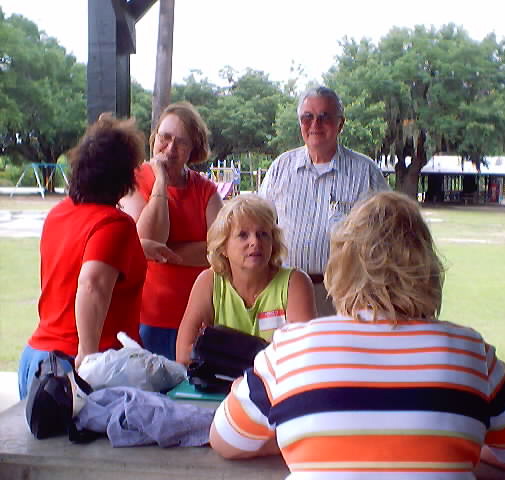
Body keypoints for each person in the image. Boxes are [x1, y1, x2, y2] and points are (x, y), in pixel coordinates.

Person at [210, 191, 505, 478]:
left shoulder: (290, 349)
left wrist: (301, 434)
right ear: (428, 267)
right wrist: (471, 440)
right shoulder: (471, 352)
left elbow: (225, 439)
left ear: (341, 263)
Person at [18, 115, 147, 399]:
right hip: (75, 367)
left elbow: (76, 261)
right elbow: (92, 285)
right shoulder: (115, 224)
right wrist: (87, 358)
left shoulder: (58, 214)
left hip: (39, 357)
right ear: (124, 175)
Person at [259, 86, 389, 316]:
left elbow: (388, 235)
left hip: (347, 296)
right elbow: (258, 224)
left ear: (340, 123)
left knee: (340, 352)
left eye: (324, 117)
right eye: (307, 117)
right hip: (286, 292)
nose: (315, 125)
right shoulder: (281, 168)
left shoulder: (365, 172)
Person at [121, 101, 223, 360]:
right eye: (165, 138)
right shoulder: (133, 181)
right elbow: (149, 239)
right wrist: (161, 181)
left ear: (193, 149)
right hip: (145, 317)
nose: (170, 149)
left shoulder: (206, 191)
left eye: (181, 143)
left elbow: (222, 251)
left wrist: (163, 252)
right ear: (154, 138)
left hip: (196, 318)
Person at [175, 194, 316, 365]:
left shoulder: (295, 282)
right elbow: (184, 354)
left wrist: (221, 351)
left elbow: (302, 354)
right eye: (243, 235)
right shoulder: (209, 282)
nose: (255, 242)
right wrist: (264, 353)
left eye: (263, 234)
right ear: (223, 247)